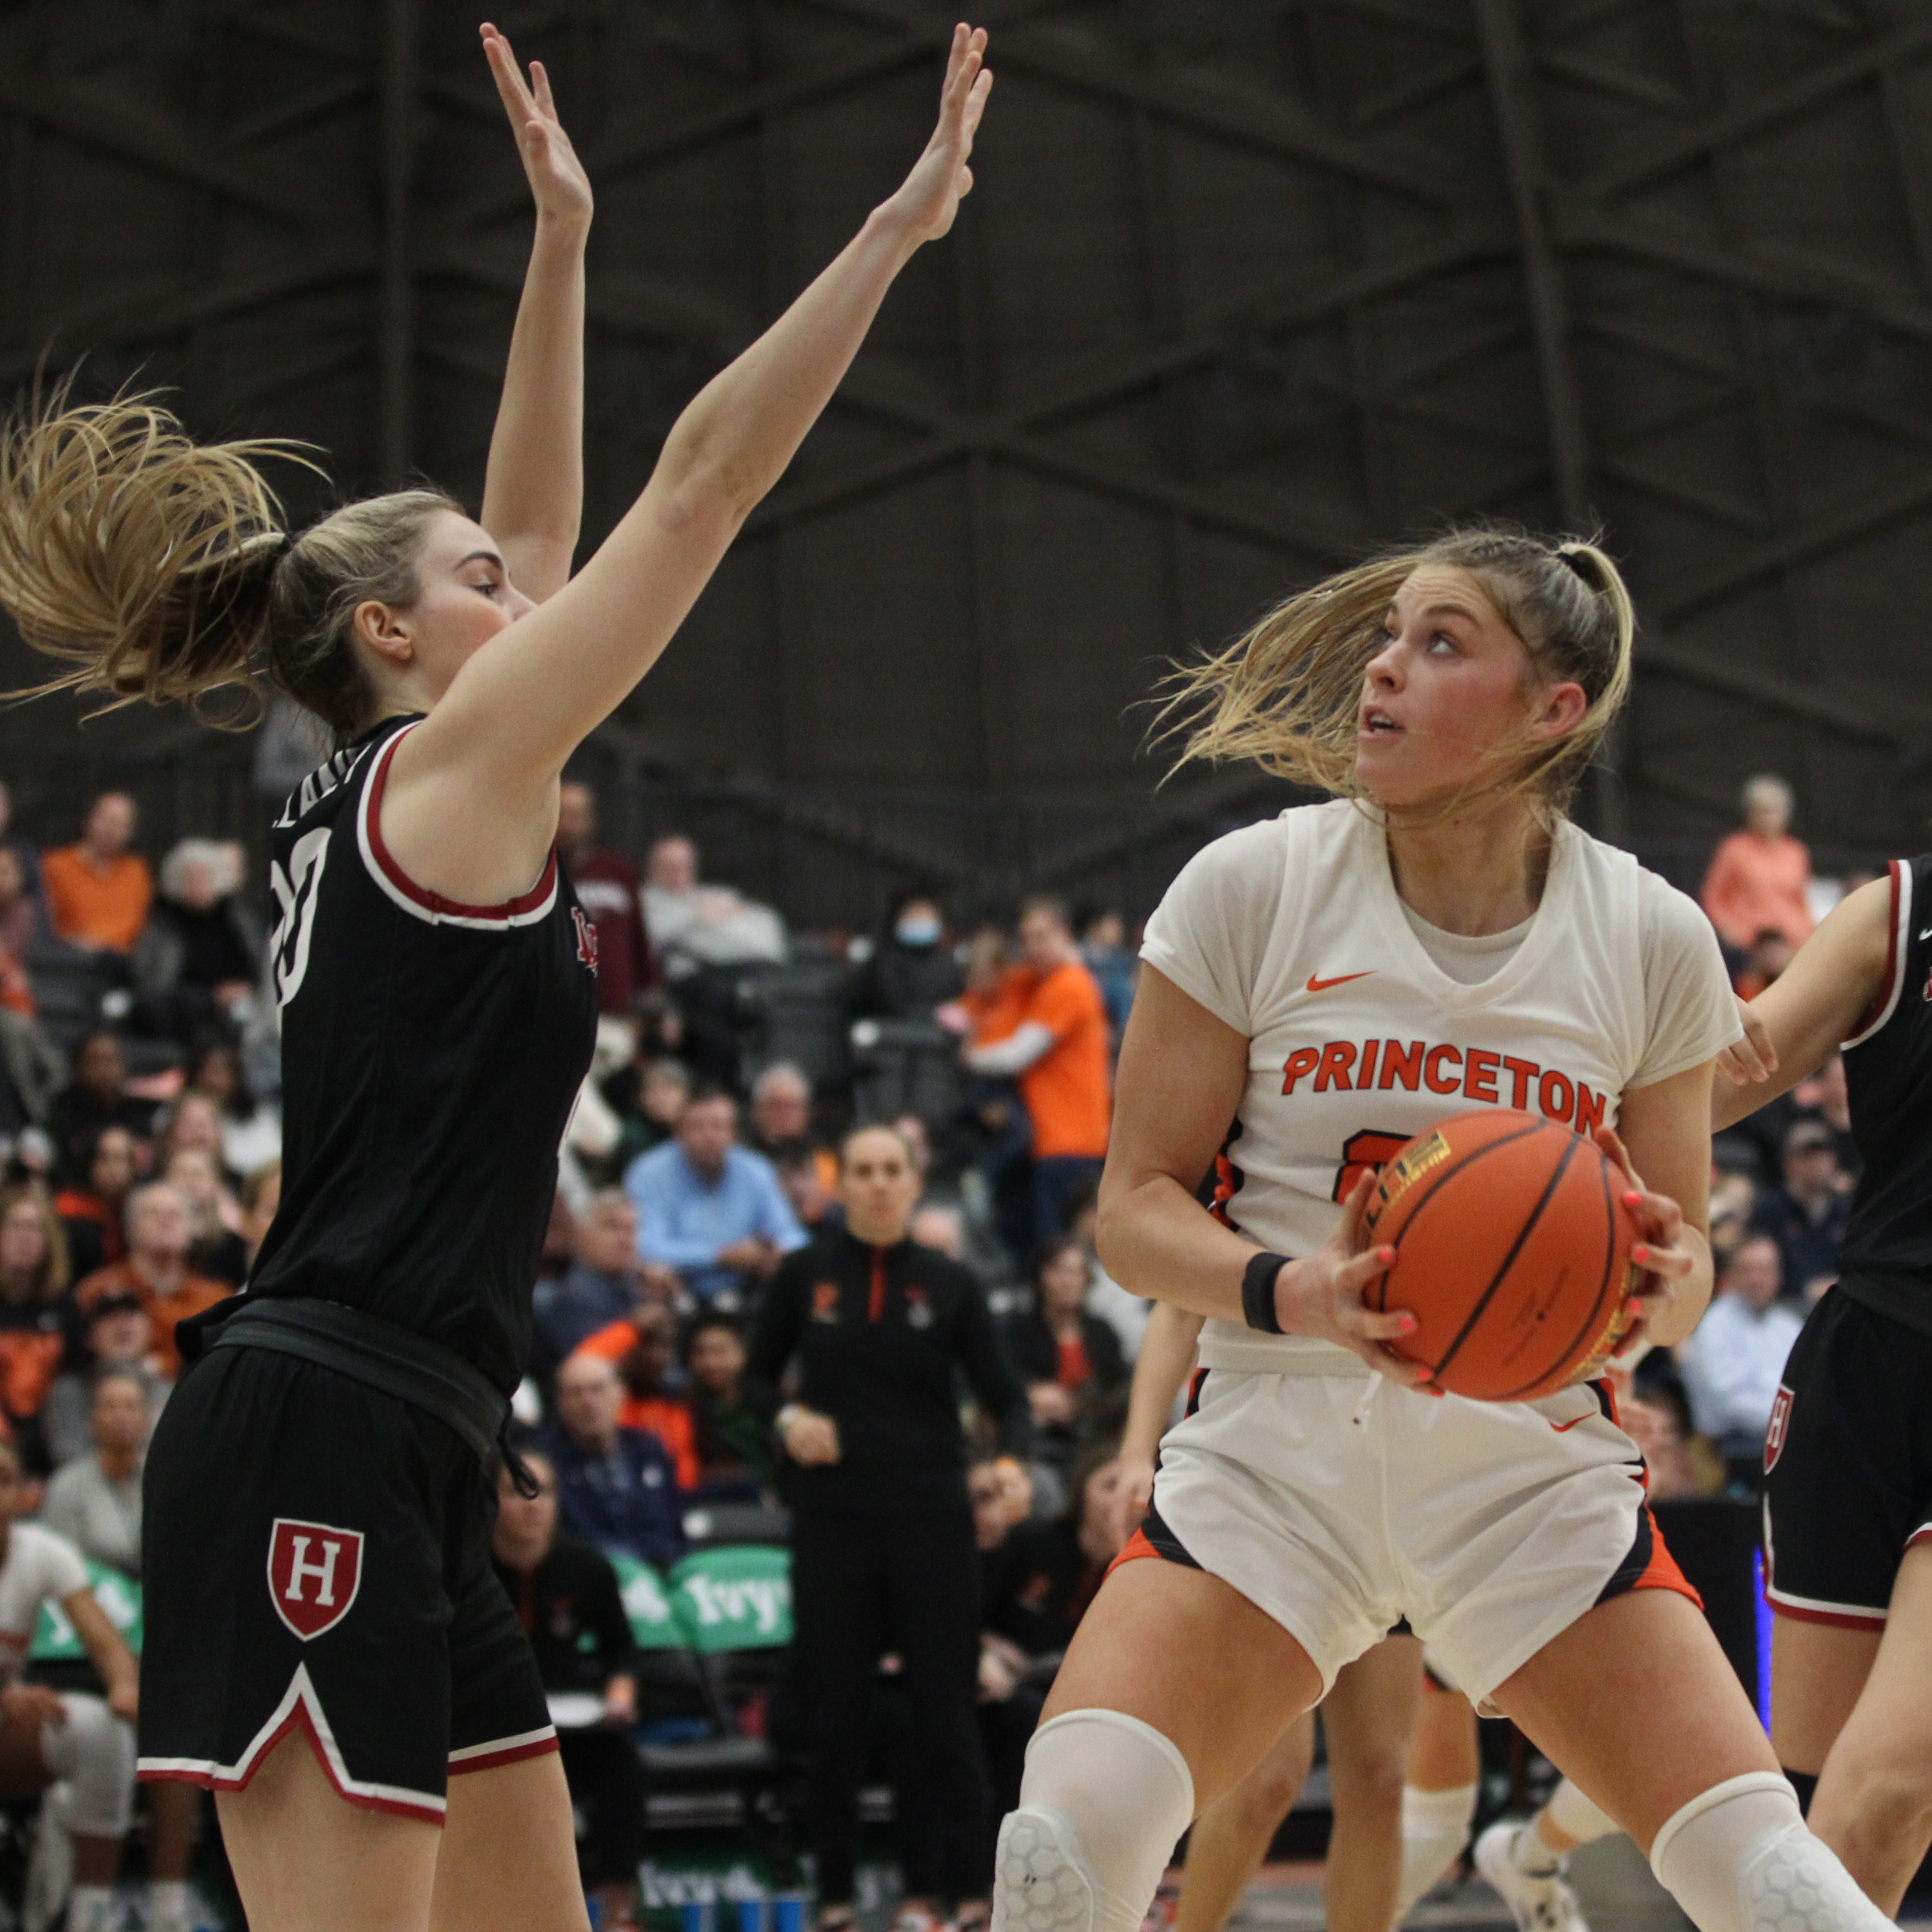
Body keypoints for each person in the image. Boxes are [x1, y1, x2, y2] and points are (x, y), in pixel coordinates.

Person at [0, 20, 991, 1930]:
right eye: (482, 586)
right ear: (392, 631)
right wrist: (893, 229)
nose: (528, 593)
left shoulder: (421, 776)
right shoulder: (444, 776)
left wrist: (562, 243)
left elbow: (532, 530)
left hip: (423, 1432)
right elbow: (696, 488)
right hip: (323, 1418)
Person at [987, 529, 1892, 1932]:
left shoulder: (1648, 933)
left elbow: (1682, 1277)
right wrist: (1293, 1289)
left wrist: (1658, 1281)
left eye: (1439, 643)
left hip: (1529, 1481)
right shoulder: (1251, 885)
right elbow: (1131, 1213)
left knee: (1786, 1895)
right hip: (1276, 1461)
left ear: (1552, 709)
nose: (1382, 669)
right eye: (1388, 636)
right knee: (1056, 1853)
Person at [1711, 843, 1932, 1912]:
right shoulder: (1897, 911)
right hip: (1863, 1364)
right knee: (1803, 1805)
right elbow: (1716, 1077)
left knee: (1883, 1791)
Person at [1110, 1301, 1475, 1932]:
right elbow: (1178, 1310)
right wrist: (1137, 1451)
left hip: (1394, 1477)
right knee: (1267, 1780)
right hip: (1272, 1477)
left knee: (1381, 1782)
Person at [750, 1123, 1030, 1932]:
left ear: (913, 1182)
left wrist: (1011, 1462)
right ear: (841, 1184)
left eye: (890, 1170)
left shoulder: (949, 1282)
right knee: (834, 1716)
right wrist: (788, 1419)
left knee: (946, 1712)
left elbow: (1008, 1397)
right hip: (832, 1520)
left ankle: (969, 1896)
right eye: (863, 1170)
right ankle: (835, 1898)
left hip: (931, 1519)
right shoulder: (803, 1274)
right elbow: (756, 1380)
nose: (877, 1183)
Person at [491, 1444, 644, 1932]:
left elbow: (622, 1649)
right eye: (517, 1492)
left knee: (620, 1760)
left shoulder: (586, 1567)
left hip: (572, 1724)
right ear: (490, 1502)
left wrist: (621, 1693)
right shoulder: (469, 1572)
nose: (533, 1505)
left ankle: (619, 1908)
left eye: (544, 1492)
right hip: (489, 1729)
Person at [0, 1436, 144, 1932]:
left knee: (105, 1731)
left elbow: (105, 1641)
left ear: (24, 1495)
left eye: (4, 1481)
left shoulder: (43, 1553)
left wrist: (125, 1687)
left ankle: (90, 1915)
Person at [962, 896, 1110, 1246]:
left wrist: (969, 1057)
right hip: (1058, 1140)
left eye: (1041, 936)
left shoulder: (1068, 985)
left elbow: (1018, 1055)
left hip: (1070, 1142)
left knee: (1060, 1249)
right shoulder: (1046, 981)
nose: (1033, 947)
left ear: (1064, 933)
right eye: (1027, 938)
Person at [625, 1087, 808, 1306]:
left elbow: (792, 1235)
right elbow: (645, 1246)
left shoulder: (755, 1170)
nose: (710, 1137)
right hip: (675, 1290)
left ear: (734, 1133)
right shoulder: (649, 1173)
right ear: (678, 1132)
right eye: (698, 1126)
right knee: (654, 1273)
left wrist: (779, 1252)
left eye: (719, 1127)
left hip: (748, 1288)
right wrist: (719, 1255)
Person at [73, 1182, 231, 1380]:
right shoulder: (96, 1291)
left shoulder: (217, 1299)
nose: (165, 1221)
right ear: (129, 1229)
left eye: (175, 1215)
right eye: (152, 1214)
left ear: (192, 1230)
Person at [543, 1353, 685, 1571]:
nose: (588, 1402)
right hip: (593, 1576)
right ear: (560, 1403)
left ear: (621, 1393)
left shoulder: (649, 1450)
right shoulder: (547, 1461)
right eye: (576, 1393)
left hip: (661, 1571)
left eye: (598, 1389)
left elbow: (672, 1525)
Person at [1678, 1235, 1805, 1478]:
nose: (1757, 1279)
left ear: (1779, 1275)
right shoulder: (1714, 1326)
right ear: (1731, 1275)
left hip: (1787, 1436)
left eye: (1765, 1270)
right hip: (1733, 1448)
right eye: (1748, 1270)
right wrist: (1792, 1421)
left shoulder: (1789, 1326)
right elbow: (1730, 1404)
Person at [1000, 1235, 1127, 1472]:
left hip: (1097, 1440)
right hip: (1039, 1439)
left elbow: (1118, 1387)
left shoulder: (1102, 1333)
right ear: (1042, 1277)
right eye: (1062, 1272)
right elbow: (1003, 1379)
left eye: (1078, 1273)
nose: (1070, 1282)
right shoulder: (1019, 1332)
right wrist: (1032, 1393)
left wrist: (1076, 1403)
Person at [132, 838, 263, 1049]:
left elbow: (257, 962)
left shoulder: (237, 920)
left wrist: (245, 988)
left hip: (239, 1003)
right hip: (182, 1009)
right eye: (190, 878)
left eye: (204, 876)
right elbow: (151, 979)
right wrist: (210, 997)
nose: (197, 885)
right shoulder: (164, 923)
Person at [575, 1299, 702, 1488]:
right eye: (646, 1344)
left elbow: (686, 1476)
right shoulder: (610, 1400)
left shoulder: (677, 1402)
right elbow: (580, 1367)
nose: (656, 1356)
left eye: (665, 1346)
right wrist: (631, 1329)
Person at [555, 780, 655, 1019]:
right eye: (564, 814)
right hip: (560, 1007)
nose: (570, 824)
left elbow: (639, 935)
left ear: (590, 820)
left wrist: (652, 994)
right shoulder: (536, 873)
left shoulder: (617, 869)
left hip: (616, 1006)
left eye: (578, 815)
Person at [530, 1187, 647, 1383]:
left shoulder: (639, 1290)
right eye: (612, 1227)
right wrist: (641, 1329)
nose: (626, 1239)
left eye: (632, 1229)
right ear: (582, 1234)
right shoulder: (566, 1298)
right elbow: (591, 1366)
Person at [43, 1291, 170, 1470]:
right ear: (88, 1337)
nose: (122, 1323)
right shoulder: (68, 1392)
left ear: (151, 1330)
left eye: (131, 1313)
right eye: (108, 1316)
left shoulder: (169, 1390)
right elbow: (68, 1460)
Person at [40, 1369, 146, 1575]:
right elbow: (58, 1565)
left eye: (130, 1406)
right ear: (90, 1420)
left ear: (146, 1418)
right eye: (110, 1407)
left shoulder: (163, 1481)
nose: (121, 1416)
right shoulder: (66, 1486)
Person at [1700, 775, 1814, 959]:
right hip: (1748, 942)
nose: (1767, 817)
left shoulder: (1796, 852)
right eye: (1760, 811)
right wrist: (1728, 929)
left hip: (1790, 942)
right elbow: (1714, 897)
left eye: (1772, 811)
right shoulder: (1734, 849)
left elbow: (1801, 901)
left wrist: (1809, 935)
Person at [0, 1182, 70, 1473]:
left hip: (53, 1443)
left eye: (35, 1229)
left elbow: (71, 1386)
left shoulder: (64, 1307)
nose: (25, 1238)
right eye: (16, 1226)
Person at [1749, 1120, 1850, 1302]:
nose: (1818, 1164)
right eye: (1807, 1156)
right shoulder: (1769, 1210)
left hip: (1838, 1301)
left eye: (1824, 1156)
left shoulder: (1846, 1209)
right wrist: (1804, 1289)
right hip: (1784, 1305)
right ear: (1788, 1163)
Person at [40, 793, 151, 956]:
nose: (111, 829)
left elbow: (144, 926)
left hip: (125, 962)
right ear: (88, 820)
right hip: (73, 959)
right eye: (106, 819)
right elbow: (42, 923)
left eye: (121, 824)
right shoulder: (55, 865)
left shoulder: (136, 871)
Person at [683, 1310, 777, 1498]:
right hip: (722, 1503)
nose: (710, 1362)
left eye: (720, 1352)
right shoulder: (685, 1407)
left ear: (742, 1353)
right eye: (701, 1353)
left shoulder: (770, 1400)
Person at [46, 1034, 151, 1185]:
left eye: (111, 1061)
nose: (104, 1070)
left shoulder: (137, 1110)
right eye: (95, 1061)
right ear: (78, 1067)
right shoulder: (63, 1111)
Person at [851, 888, 964, 1022]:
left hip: (940, 1031)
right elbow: (890, 1002)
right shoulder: (886, 961)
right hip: (895, 1028)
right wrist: (934, 1015)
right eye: (914, 918)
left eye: (925, 918)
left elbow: (958, 997)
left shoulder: (947, 963)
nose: (920, 923)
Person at [185, 1039, 282, 1177]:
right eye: (204, 1071)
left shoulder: (260, 1117)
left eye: (220, 1071)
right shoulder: (176, 1112)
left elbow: (271, 1162)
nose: (211, 1079)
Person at [54, 1126, 136, 1282]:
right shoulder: (70, 1209)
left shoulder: (136, 1213)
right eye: (105, 1158)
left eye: (121, 1159)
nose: (113, 1168)